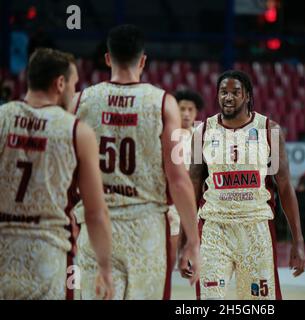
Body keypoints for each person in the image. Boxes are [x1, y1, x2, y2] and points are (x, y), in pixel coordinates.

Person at [70, 24, 200, 300]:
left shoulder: (80, 101)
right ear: (143, 60)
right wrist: (193, 241)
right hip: (146, 231)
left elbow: (66, 173)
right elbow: (178, 179)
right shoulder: (164, 103)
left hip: (95, 225)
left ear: (107, 58)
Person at [0, 48, 113, 300]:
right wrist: (104, 268)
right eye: (73, 84)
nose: (74, 91)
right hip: (47, 253)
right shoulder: (76, 131)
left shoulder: (2, 118)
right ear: (60, 83)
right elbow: (95, 212)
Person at [187, 70, 305, 300]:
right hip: (214, 229)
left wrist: (298, 241)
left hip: (255, 229)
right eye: (223, 92)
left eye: (235, 92)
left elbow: (284, 187)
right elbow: (192, 186)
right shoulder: (202, 131)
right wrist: (186, 239)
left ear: (248, 96)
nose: (228, 97)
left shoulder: (268, 129)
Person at [167, 89, 204, 272]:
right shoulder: (166, 134)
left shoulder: (201, 136)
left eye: (191, 109)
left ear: (196, 112)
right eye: (182, 109)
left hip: (193, 199)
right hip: (171, 199)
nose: (186, 114)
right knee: (171, 249)